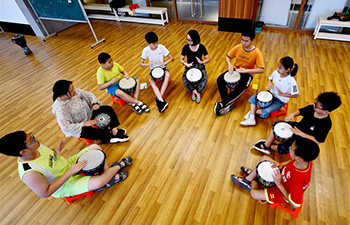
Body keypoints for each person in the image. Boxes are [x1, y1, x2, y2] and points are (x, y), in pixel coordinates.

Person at [0, 131, 133, 198]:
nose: (35, 138)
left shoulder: (36, 147)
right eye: (31, 139)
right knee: (99, 183)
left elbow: (50, 158)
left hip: (68, 165)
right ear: (23, 151)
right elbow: (45, 193)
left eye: (31, 135)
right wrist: (70, 172)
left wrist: (57, 151)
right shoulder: (29, 173)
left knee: (95, 147)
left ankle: (107, 178)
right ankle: (116, 168)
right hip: (64, 185)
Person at [231, 137, 320, 208]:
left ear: (300, 159)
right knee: (264, 158)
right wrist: (281, 164)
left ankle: (253, 182)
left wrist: (279, 184)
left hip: (282, 191)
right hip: (282, 176)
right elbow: (293, 161)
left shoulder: (298, 180)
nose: (289, 148)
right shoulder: (305, 161)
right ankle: (251, 177)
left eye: (291, 148)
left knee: (253, 193)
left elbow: (295, 204)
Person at [252, 92, 342, 155]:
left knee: (286, 149)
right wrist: (292, 115)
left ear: (326, 112)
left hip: (304, 141)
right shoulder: (311, 108)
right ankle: (267, 145)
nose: (313, 106)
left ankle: (271, 146)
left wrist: (300, 133)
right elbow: (300, 111)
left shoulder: (326, 124)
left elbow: (317, 141)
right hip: (297, 127)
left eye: (316, 106)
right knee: (277, 124)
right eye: (315, 103)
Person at [52, 80, 129, 144]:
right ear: (63, 95)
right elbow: (66, 127)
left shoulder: (76, 93)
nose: (74, 91)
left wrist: (94, 103)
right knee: (96, 132)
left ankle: (114, 130)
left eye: (73, 88)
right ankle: (110, 137)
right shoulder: (60, 109)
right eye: (71, 90)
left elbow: (89, 95)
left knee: (108, 109)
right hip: (79, 126)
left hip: (89, 113)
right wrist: (85, 124)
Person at [214, 29, 265, 116]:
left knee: (241, 87)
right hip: (236, 69)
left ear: (252, 41)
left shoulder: (257, 53)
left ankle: (222, 104)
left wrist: (246, 70)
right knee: (219, 79)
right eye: (242, 40)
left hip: (247, 74)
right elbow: (227, 56)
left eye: (246, 41)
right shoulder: (238, 47)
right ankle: (225, 102)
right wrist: (230, 64)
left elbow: (261, 69)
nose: (243, 43)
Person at [240, 56, 299, 126]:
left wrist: (282, 94)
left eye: (280, 68)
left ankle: (252, 112)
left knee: (266, 111)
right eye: (278, 66)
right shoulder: (276, 72)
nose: (277, 69)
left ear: (287, 69)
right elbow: (270, 78)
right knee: (253, 98)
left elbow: (296, 95)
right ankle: (252, 118)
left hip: (280, 100)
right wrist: (269, 83)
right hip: (272, 93)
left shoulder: (292, 82)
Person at [140, 31, 174, 113]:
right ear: (148, 43)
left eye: (156, 42)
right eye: (154, 43)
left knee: (168, 75)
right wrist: (147, 64)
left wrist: (164, 63)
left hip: (163, 67)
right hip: (153, 69)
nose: (156, 44)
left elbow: (172, 58)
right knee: (150, 80)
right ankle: (161, 99)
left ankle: (159, 98)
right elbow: (141, 64)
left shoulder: (161, 47)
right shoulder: (145, 50)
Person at [179, 30, 210, 103]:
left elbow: (208, 59)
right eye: (187, 39)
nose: (188, 42)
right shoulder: (186, 47)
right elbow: (181, 59)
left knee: (204, 79)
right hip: (189, 66)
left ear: (195, 39)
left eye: (190, 40)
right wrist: (186, 64)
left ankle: (195, 91)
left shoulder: (201, 47)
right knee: (184, 78)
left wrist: (202, 62)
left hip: (199, 66)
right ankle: (196, 92)